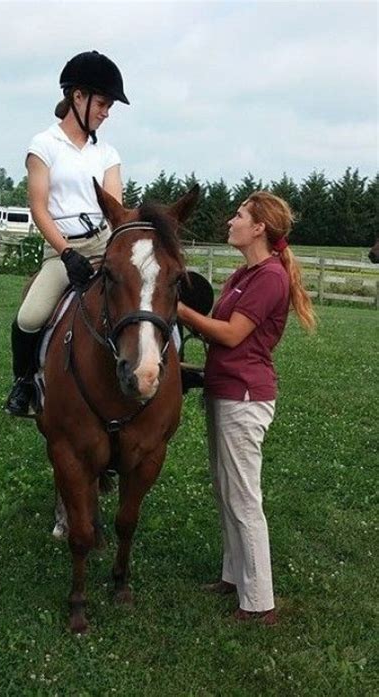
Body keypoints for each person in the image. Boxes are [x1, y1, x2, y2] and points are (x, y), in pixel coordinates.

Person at [177, 192, 316, 625]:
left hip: (245, 398)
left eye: (239, 215)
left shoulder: (270, 277)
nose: (230, 221)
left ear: (259, 228)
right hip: (224, 390)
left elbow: (233, 335)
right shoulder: (245, 272)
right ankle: (234, 576)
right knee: (226, 492)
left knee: (244, 499)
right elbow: (220, 334)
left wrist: (175, 308)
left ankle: (259, 604)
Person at [4, 50, 129, 416]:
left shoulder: (107, 153)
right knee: (30, 316)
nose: (106, 112)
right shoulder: (43, 146)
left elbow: (114, 207)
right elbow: (39, 208)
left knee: (145, 293)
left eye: (109, 106)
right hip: (64, 248)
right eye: (103, 103)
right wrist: (66, 252)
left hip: (104, 242)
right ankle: (24, 382)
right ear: (78, 96)